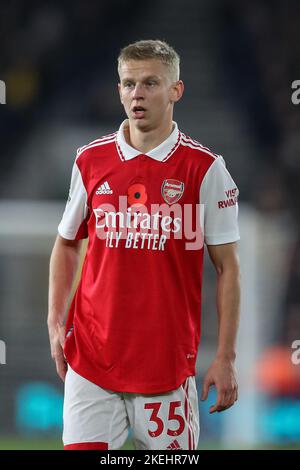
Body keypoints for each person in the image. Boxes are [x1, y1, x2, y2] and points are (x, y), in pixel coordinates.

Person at [47, 39, 241, 451]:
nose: (138, 94)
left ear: (176, 90)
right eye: (129, 84)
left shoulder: (204, 169)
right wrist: (55, 320)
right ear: (119, 90)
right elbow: (66, 243)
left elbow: (228, 268)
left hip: (166, 372)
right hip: (92, 363)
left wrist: (225, 358)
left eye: (151, 83)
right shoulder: (89, 161)